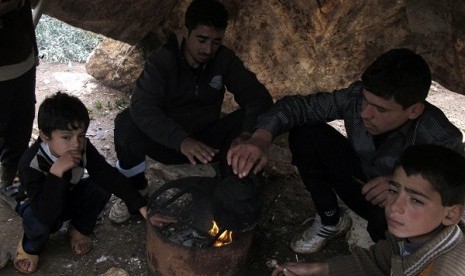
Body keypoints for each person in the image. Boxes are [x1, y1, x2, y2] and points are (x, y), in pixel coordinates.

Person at [227, 48, 465, 254]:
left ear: (413, 110)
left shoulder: (439, 135)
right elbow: (298, 107)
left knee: (385, 222)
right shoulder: (354, 98)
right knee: (306, 132)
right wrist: (260, 137)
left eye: (380, 109)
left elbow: (454, 193)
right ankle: (331, 219)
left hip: (394, 210)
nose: (365, 114)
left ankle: (394, 255)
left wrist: (398, 186)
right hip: (359, 180)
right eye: (365, 101)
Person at [109, 0, 273, 223]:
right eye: (202, 40)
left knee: (252, 119)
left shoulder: (223, 59)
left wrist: (247, 134)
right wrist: (181, 140)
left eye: (216, 42)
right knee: (126, 123)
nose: (208, 49)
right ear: (185, 31)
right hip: (168, 143)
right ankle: (136, 189)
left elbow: (258, 97)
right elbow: (143, 106)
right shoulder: (162, 60)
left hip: (206, 142)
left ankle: (230, 189)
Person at [271, 144, 465, 275]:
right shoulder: (411, 236)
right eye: (392, 190)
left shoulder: (447, 270)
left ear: (451, 214)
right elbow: (378, 261)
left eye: (416, 200)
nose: (395, 206)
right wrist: (318, 269)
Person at [13, 92, 148, 274]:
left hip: (69, 195)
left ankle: (79, 228)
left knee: (101, 185)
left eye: (81, 135)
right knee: (39, 223)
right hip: (38, 207)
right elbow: (44, 214)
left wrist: (138, 203)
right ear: (45, 135)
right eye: (66, 137)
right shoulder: (30, 163)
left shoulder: (83, 147)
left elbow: (107, 175)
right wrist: (56, 173)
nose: (76, 144)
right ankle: (31, 247)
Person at [0, 0, 38, 199]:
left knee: (22, 121)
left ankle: (9, 177)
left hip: (23, 56)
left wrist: (34, 49)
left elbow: (27, 9)